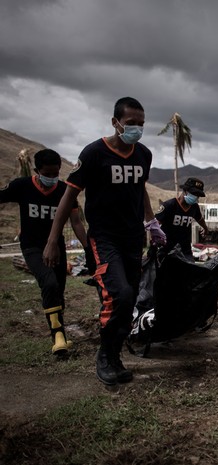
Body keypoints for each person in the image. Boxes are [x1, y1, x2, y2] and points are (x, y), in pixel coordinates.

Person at [43, 97, 166, 386]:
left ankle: (115, 353)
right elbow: (68, 198)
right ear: (115, 122)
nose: (136, 129)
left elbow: (140, 190)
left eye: (141, 124)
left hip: (133, 238)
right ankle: (106, 355)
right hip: (104, 237)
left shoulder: (143, 155)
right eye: (131, 123)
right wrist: (52, 240)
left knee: (130, 297)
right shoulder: (95, 153)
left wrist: (151, 222)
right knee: (119, 294)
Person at [0, 149, 88, 356]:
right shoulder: (21, 186)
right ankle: (58, 335)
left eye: (55, 173)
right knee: (48, 282)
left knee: (58, 290)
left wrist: (88, 248)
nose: (51, 178)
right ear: (36, 170)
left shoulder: (64, 190)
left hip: (57, 248)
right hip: (32, 247)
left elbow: (76, 221)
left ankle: (60, 334)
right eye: (47, 174)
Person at [155, 177, 209, 260]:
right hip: (167, 249)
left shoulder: (194, 207)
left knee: (190, 270)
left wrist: (205, 228)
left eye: (198, 196)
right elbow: (156, 224)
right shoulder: (169, 205)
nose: (196, 198)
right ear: (185, 191)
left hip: (185, 250)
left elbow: (200, 219)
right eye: (194, 194)